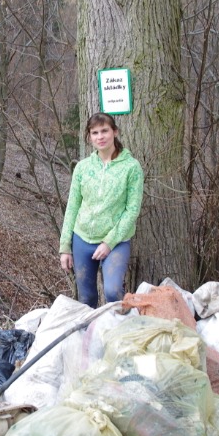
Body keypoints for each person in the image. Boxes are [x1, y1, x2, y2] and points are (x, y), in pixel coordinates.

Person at [59, 112, 144, 307]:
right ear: (89, 137)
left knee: (113, 292)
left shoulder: (131, 168)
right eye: (95, 132)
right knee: (86, 299)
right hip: (82, 239)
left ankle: (119, 332)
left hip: (115, 241)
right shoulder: (82, 167)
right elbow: (72, 206)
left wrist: (109, 242)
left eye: (105, 131)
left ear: (115, 132)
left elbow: (132, 210)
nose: (100, 136)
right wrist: (65, 247)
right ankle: (92, 335)